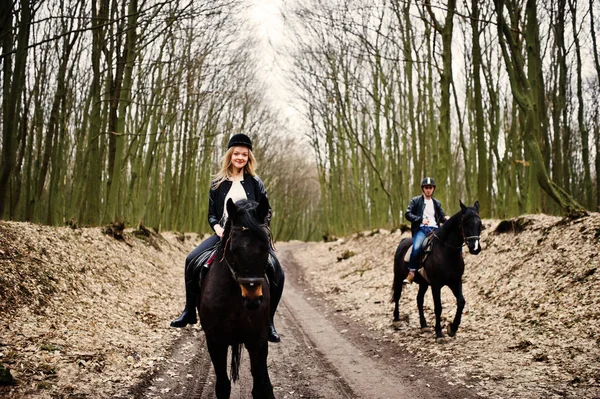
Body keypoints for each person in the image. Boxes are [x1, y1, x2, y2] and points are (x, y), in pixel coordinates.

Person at [170, 133, 285, 343]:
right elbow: (211, 214)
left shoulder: (256, 183)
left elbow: (266, 211)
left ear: (249, 157)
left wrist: (259, 228)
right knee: (191, 260)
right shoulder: (217, 183)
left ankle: (269, 322)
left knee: (278, 271)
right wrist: (218, 228)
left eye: (244, 154)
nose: (240, 157)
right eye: (236, 153)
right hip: (224, 235)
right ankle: (189, 311)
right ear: (230, 155)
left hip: (251, 239)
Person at [403, 177, 449, 284]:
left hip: (436, 230)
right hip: (422, 230)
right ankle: (412, 273)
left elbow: (441, 217)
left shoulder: (436, 203)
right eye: (426, 187)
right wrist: (420, 219)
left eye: (430, 188)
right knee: (416, 248)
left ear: (433, 189)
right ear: (423, 189)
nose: (428, 190)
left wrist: (446, 218)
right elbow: (407, 214)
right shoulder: (415, 201)